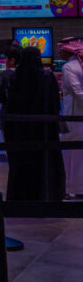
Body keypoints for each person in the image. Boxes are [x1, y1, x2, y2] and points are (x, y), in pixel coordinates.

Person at [0, 46, 64, 201]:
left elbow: (8, 103)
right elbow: (54, 104)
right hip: (44, 129)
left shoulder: (13, 78)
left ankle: (20, 197)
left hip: (19, 130)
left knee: (20, 165)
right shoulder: (47, 77)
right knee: (43, 163)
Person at [58, 37, 83, 196]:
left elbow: (77, 92)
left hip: (74, 117)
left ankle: (72, 188)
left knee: (71, 153)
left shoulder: (69, 67)